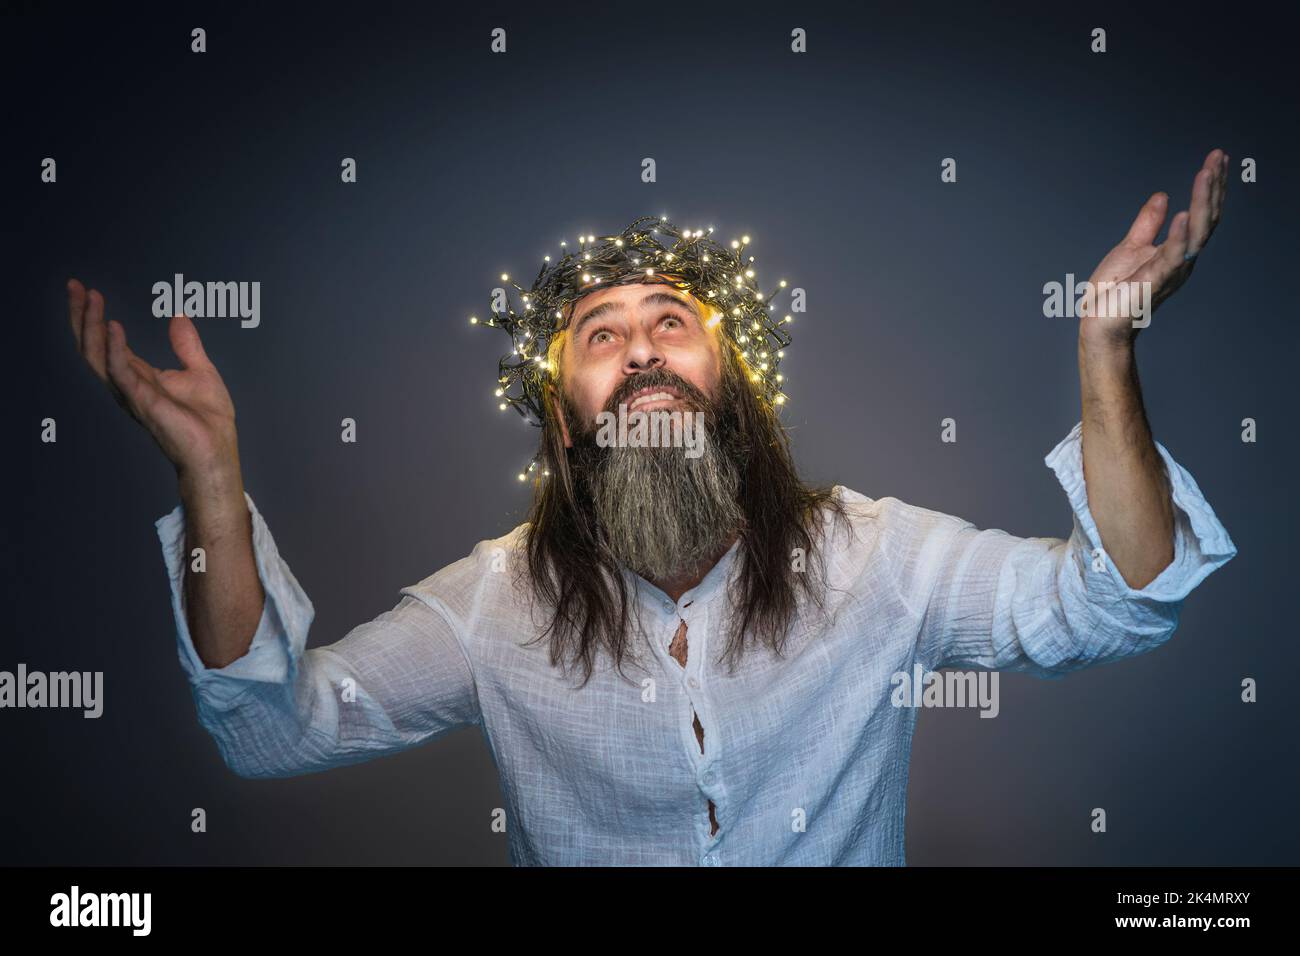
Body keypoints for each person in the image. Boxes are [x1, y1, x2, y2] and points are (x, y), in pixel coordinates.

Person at [64, 149, 1237, 865]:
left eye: (671, 322)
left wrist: (1104, 351)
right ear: (563, 416)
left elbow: (1118, 600)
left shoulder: (879, 557)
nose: (640, 350)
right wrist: (210, 478)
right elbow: (274, 729)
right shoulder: (491, 601)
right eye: (601, 336)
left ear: (734, 388)